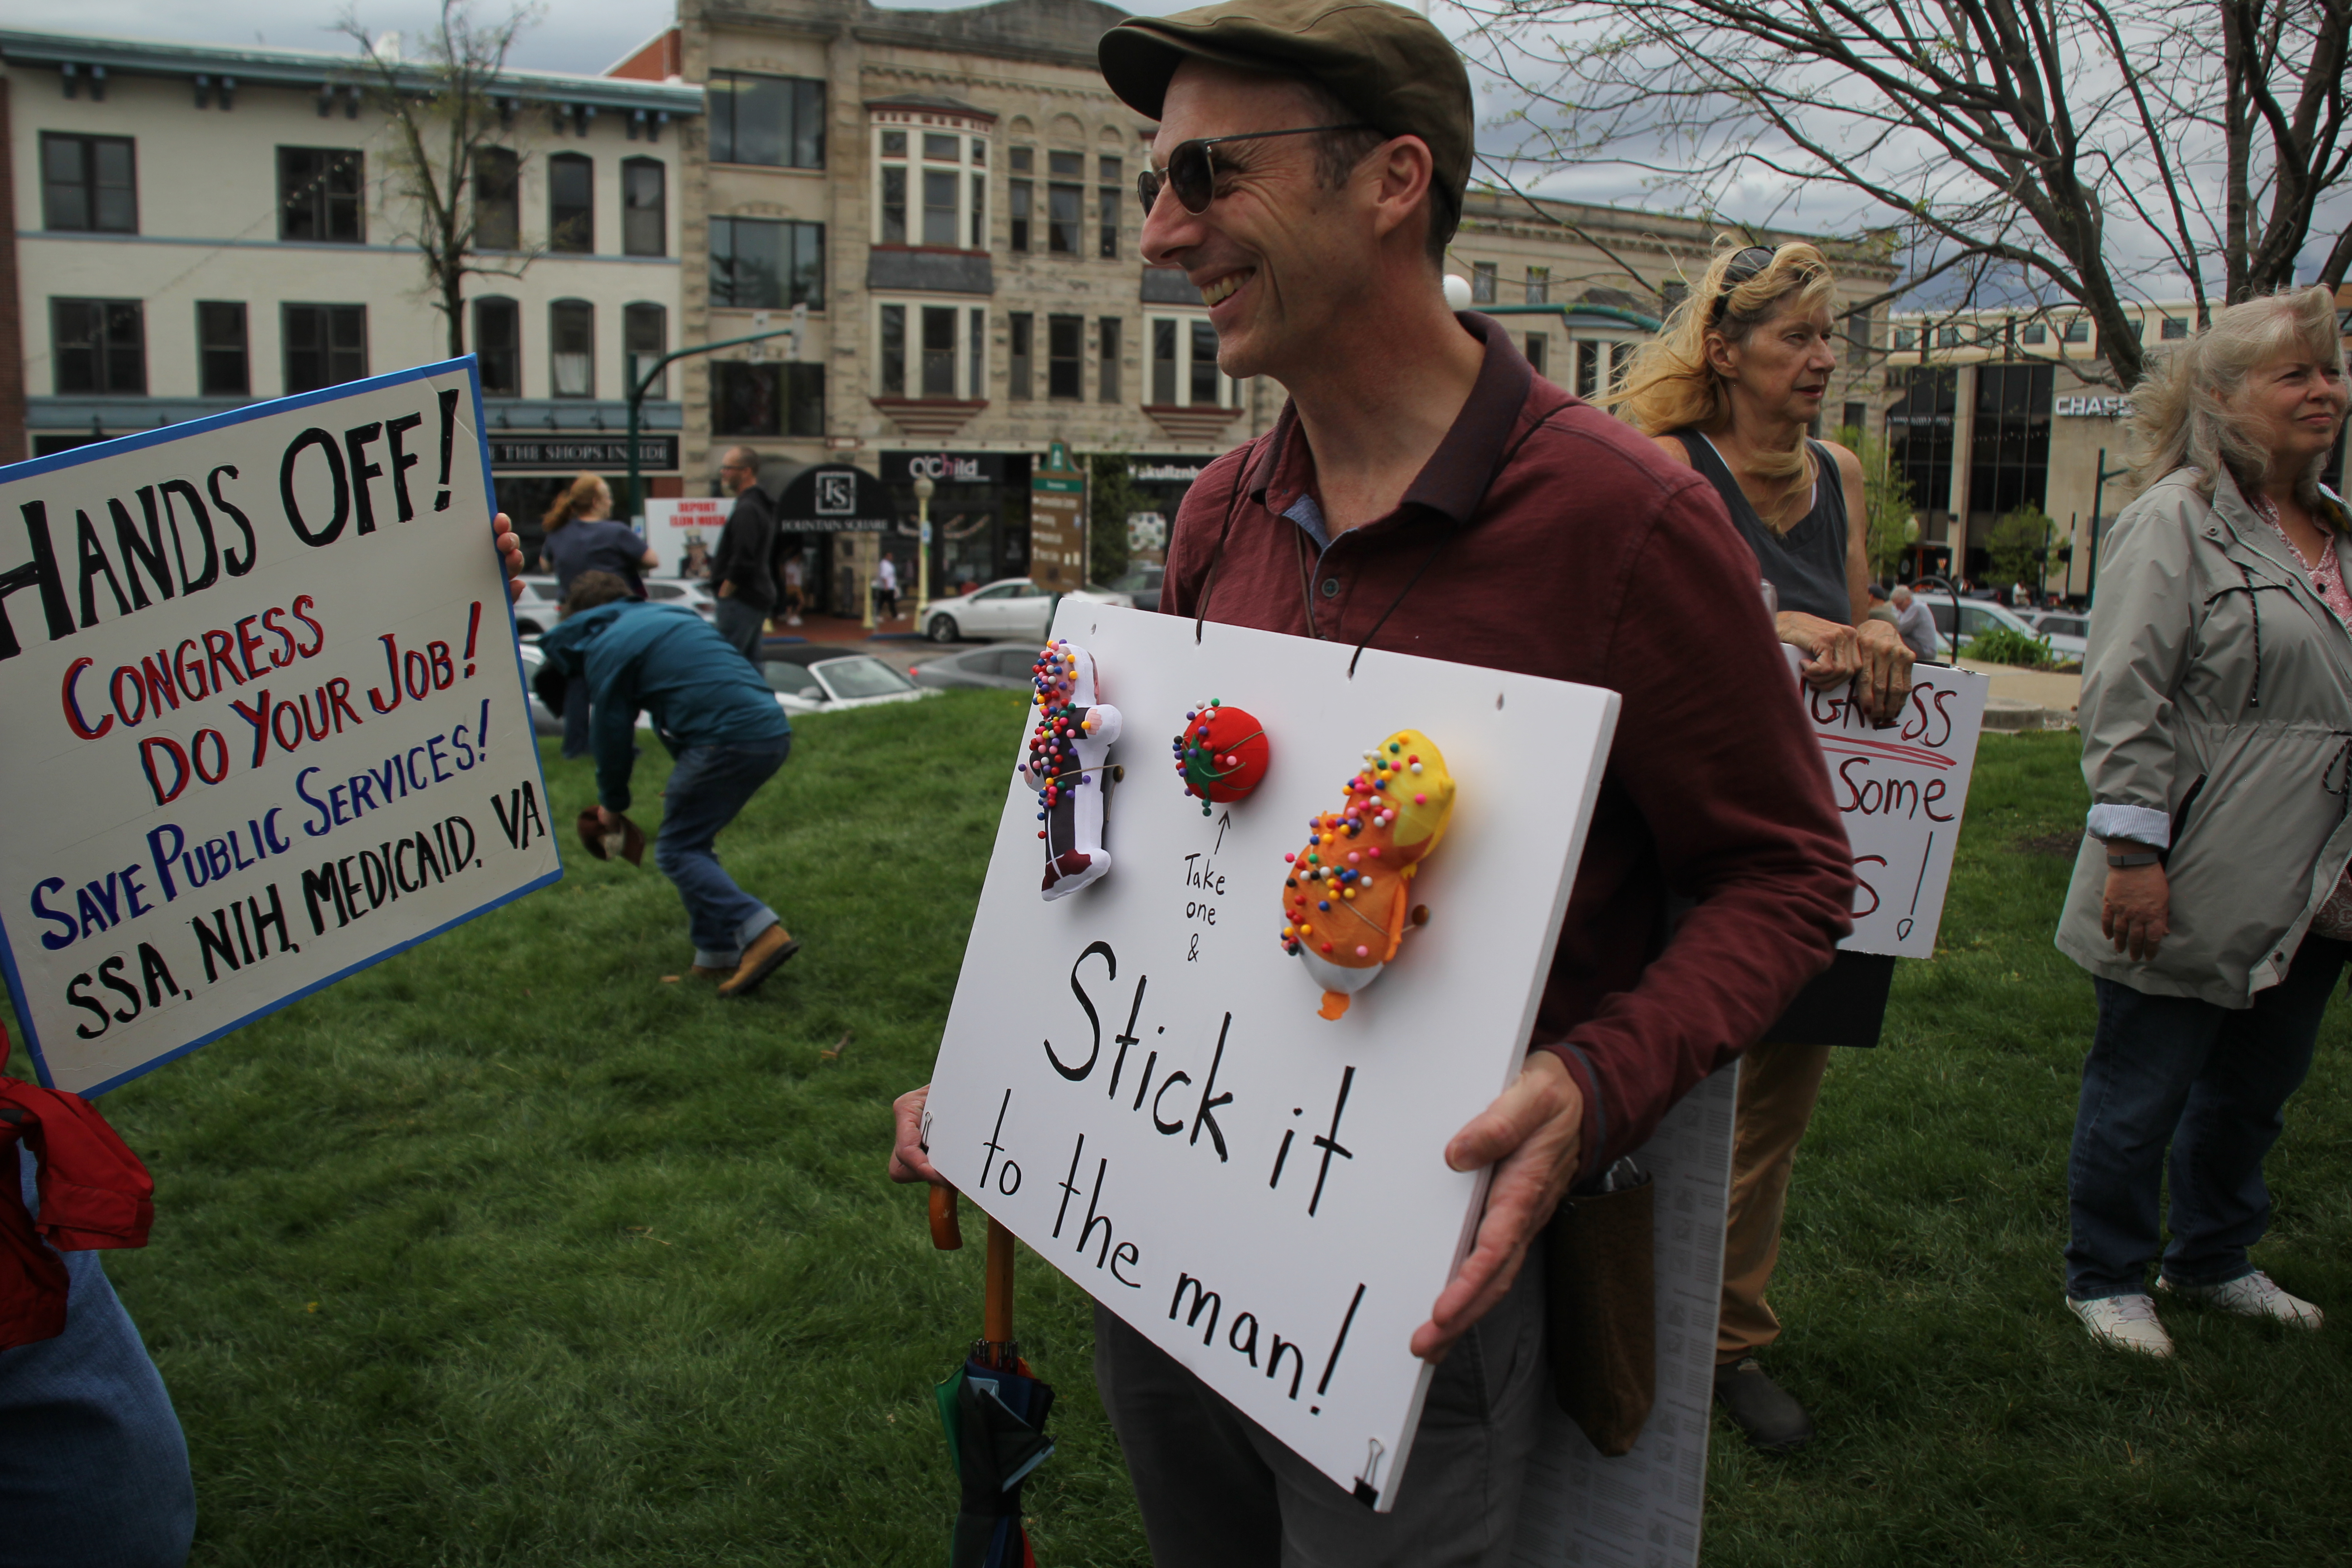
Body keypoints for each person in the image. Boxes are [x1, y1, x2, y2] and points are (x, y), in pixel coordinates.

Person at [888, 3, 1855, 1557]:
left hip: (1416, 1288)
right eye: (1159, 183)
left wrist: (1597, 1076)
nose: (1160, 231)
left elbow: (1794, 874)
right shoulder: (1220, 509)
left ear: (1391, 178)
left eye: (1205, 174)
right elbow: (1160, 841)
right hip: (1165, 1226)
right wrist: (1005, 1067)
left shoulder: (1627, 523)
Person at [1615, 240, 1914, 1452]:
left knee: (1775, 1110)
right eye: (1798, 337)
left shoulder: (1839, 471)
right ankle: (1629, 1319)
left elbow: (1861, 600)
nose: (1824, 359)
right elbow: (1650, 624)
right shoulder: (1664, 470)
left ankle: (1730, 1342)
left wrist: (1880, 624)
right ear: (1724, 351)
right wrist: (1774, 620)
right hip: (1686, 833)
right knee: (1665, 1094)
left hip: (1828, 831)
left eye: (1830, 335)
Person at [2055, 287, 2350, 1357]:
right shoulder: (2173, 520)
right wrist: (2134, 853)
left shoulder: (2336, 530)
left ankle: (2214, 1253)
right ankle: (2106, 1272)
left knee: (2254, 1091)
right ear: (2224, 399)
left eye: (2329, 369)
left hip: (2315, 876)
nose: (2322, 388)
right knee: (2143, 1080)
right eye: (2294, 372)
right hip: (2187, 864)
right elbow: (2123, 696)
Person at [537, 570, 800, 996]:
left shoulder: (607, 644)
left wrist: (612, 804)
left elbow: (611, 731)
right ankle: (714, 957)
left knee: (677, 851)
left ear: (581, 618)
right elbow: (682, 698)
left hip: (724, 739)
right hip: (769, 730)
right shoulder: (671, 617)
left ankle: (759, 931)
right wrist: (687, 772)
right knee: (694, 843)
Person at [540, 474, 660, 760]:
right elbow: (652, 560)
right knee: (618, 680)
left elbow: (545, 565)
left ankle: (575, 747)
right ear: (595, 502)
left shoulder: (558, 533)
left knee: (577, 682)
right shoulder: (616, 532)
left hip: (572, 618)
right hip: (613, 616)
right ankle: (619, 745)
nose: (611, 501)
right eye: (607, 495)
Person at [709, 446, 778, 665]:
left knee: (727, 664)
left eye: (728, 468)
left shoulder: (747, 509)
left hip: (741, 599)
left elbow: (743, 557)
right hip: (754, 596)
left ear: (746, 472)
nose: (723, 473)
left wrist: (726, 590)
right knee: (750, 664)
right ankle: (757, 700)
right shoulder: (758, 506)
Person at [1891, 583, 1940, 662]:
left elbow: (1900, 630)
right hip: (1920, 646)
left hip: (1926, 650)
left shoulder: (1917, 608)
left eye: (1899, 604)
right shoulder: (1909, 608)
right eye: (1895, 605)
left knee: (1895, 639)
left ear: (1908, 599)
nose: (1897, 608)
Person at [779, 550, 806, 626]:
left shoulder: (799, 565)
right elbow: (789, 575)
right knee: (795, 602)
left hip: (797, 586)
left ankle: (794, 616)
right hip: (792, 586)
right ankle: (791, 617)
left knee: (797, 602)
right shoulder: (790, 565)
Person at [874, 554, 900, 621]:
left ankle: (894, 615)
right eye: (890, 556)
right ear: (886, 556)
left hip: (890, 586)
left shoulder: (888, 564)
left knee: (885, 602)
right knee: (889, 602)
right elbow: (884, 576)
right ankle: (894, 615)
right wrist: (886, 586)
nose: (892, 557)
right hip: (887, 587)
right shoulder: (884, 564)